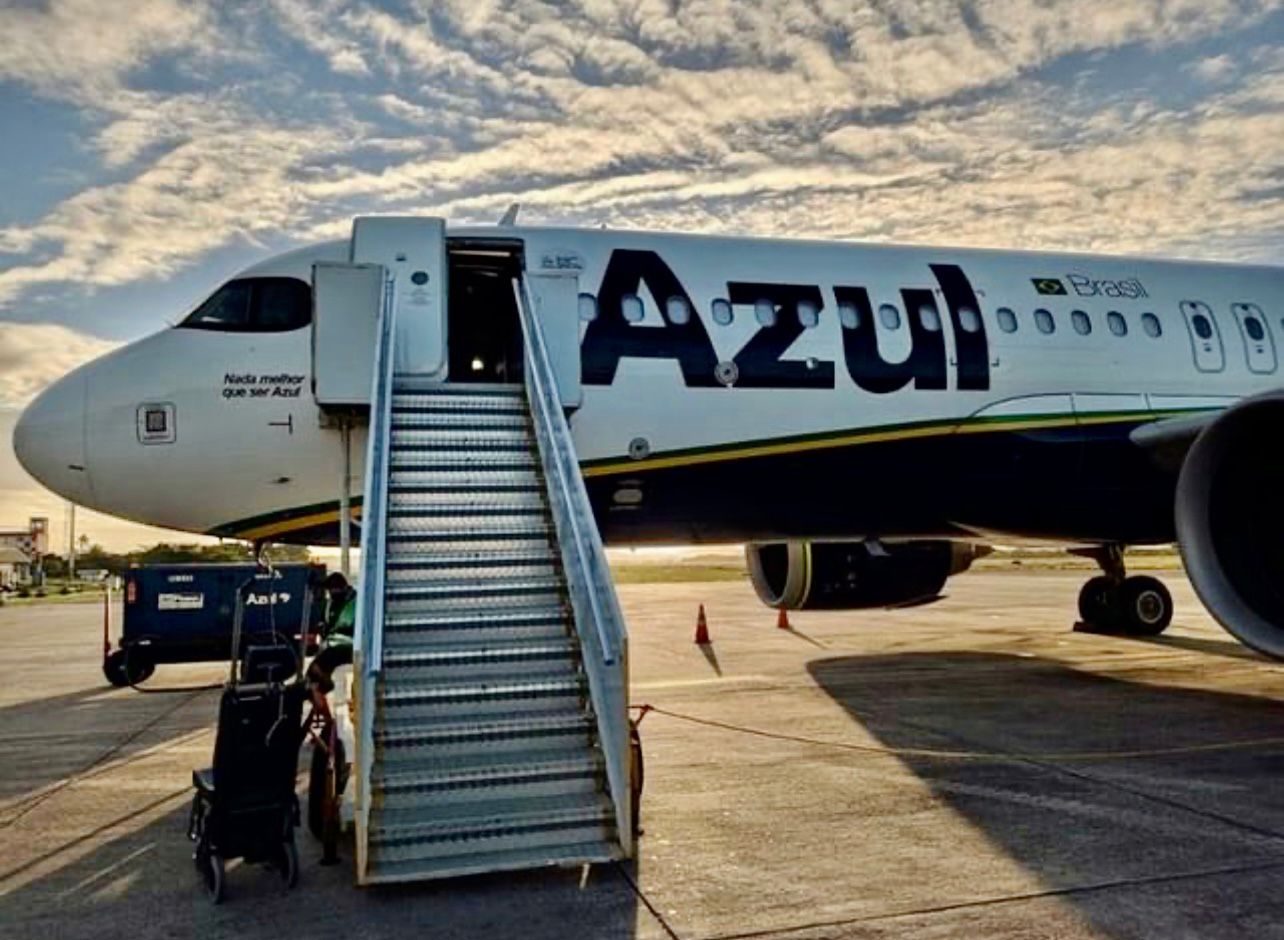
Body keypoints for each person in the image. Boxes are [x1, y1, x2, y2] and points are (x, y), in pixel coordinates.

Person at [307, 572, 356, 701]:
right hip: (332, 646)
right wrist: (316, 637)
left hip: (349, 646)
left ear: (343, 587)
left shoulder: (356, 602)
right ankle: (327, 717)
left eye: (333, 589)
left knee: (316, 668)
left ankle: (326, 685)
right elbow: (323, 626)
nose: (331, 593)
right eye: (329, 589)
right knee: (310, 680)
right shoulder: (329, 604)